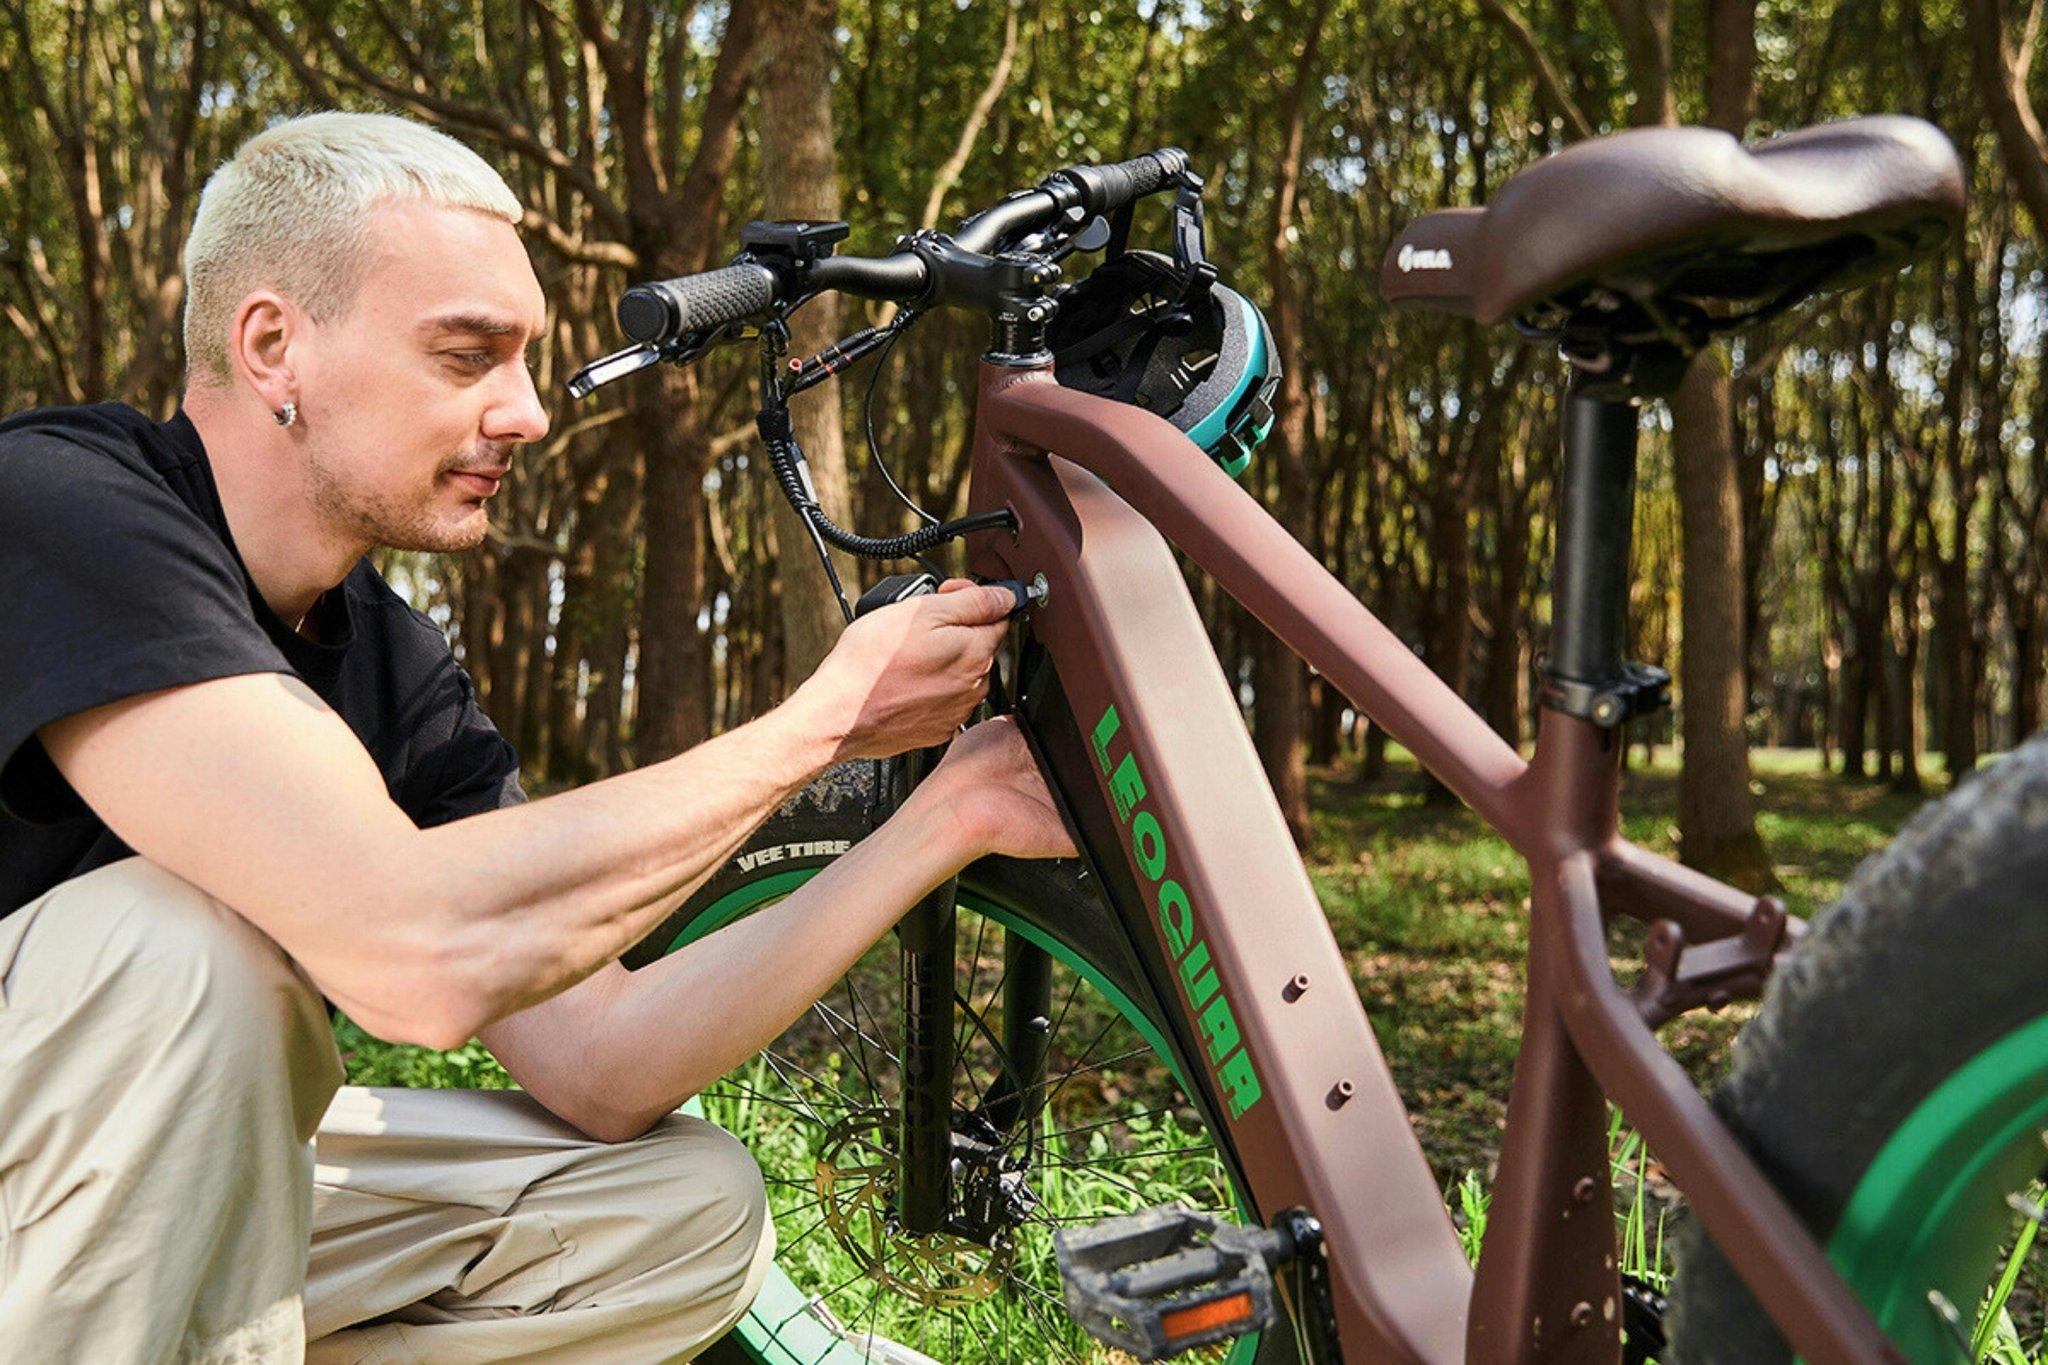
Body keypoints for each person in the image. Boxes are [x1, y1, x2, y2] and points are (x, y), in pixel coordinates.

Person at [0, 110, 1074, 1363]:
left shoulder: (393, 665)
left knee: (674, 1209)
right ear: (274, 347)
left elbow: (600, 1062)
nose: (526, 414)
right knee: (182, 949)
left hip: (89, 1220)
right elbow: (411, 946)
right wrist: (823, 718)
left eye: (525, 363)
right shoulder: (57, 503)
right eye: (468, 357)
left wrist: (944, 814)